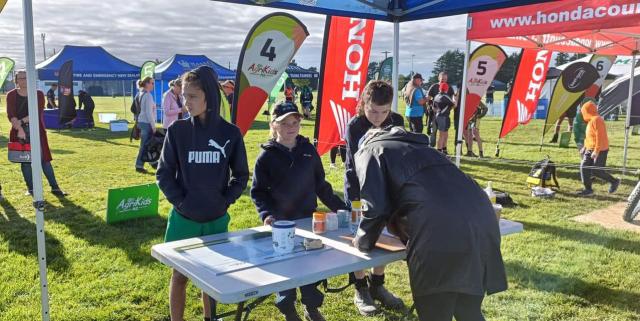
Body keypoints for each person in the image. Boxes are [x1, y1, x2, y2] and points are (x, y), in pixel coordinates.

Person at [352, 126, 507, 321]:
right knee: (469, 311)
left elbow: (375, 207)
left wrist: (362, 242)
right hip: (482, 221)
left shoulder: (370, 150)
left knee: (435, 313)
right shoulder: (425, 149)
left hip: (439, 235)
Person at [156, 66, 249, 321]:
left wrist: (225, 201)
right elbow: (163, 174)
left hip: (216, 219)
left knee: (213, 275)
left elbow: (241, 176)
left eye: (192, 96)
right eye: (184, 96)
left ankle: (211, 317)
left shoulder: (230, 133)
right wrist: (182, 203)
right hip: (183, 219)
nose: (186, 102)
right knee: (180, 275)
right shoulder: (177, 131)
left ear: (209, 95)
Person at [251, 101, 346, 321]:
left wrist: (342, 208)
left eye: (295, 122)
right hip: (281, 225)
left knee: (310, 267)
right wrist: (266, 215)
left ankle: (311, 307)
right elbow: (258, 192)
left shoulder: (308, 151)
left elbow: (321, 185)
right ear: (274, 125)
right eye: (285, 123)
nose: (291, 127)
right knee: (285, 270)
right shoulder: (266, 157)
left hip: (307, 221)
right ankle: (288, 310)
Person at [344, 80, 405, 316]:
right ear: (363, 104)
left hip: (389, 189)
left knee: (386, 235)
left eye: (384, 111)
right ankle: (361, 289)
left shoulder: (397, 122)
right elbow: (351, 166)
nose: (378, 117)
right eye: (372, 111)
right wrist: (355, 200)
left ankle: (377, 284)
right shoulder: (355, 126)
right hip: (361, 188)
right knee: (361, 237)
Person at [6, 70, 66, 196]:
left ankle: (55, 188)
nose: (24, 80)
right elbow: (11, 114)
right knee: (25, 161)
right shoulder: (11, 95)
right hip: (19, 131)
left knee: (44, 160)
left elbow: (36, 113)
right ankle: (31, 189)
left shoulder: (38, 94)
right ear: (16, 80)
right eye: (21, 78)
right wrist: (20, 129)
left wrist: (21, 122)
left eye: (26, 77)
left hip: (36, 129)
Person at [577, 101, 620, 196]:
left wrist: (596, 151)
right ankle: (588, 189)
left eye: (583, 111)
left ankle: (614, 181)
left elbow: (599, 137)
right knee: (584, 167)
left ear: (587, 110)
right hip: (590, 149)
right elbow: (589, 136)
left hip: (600, 149)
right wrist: (585, 147)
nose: (582, 113)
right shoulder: (590, 121)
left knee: (597, 171)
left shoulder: (597, 120)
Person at [134, 76, 157, 172]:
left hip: (141, 122)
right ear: (147, 83)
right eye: (152, 83)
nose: (153, 85)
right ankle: (139, 165)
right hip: (146, 123)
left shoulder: (139, 93)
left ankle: (153, 162)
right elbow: (149, 113)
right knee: (144, 145)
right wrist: (153, 126)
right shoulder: (147, 95)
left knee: (147, 144)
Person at [427, 72, 455, 147]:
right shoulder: (434, 86)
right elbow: (428, 99)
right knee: (433, 132)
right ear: (439, 78)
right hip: (433, 114)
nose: (444, 81)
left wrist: (448, 109)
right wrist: (432, 107)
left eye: (445, 79)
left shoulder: (449, 87)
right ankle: (432, 150)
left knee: (443, 133)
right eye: (442, 79)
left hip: (444, 116)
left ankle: (442, 150)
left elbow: (453, 100)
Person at [433, 82, 455, 154]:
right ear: (447, 89)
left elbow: (433, 107)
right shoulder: (446, 96)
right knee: (442, 135)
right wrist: (455, 98)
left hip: (438, 116)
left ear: (439, 88)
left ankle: (444, 150)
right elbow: (454, 105)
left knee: (444, 134)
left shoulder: (436, 96)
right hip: (443, 117)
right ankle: (439, 153)